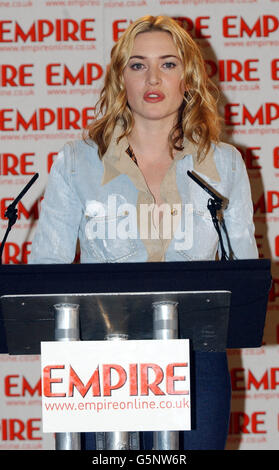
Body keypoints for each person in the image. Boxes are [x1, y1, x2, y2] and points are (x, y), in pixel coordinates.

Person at [29, 15, 258, 449]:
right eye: (137, 65)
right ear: (120, 78)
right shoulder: (77, 161)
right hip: (99, 364)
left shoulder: (225, 164)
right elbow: (46, 274)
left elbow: (242, 278)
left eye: (168, 64)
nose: (153, 78)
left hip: (197, 363)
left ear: (188, 77)